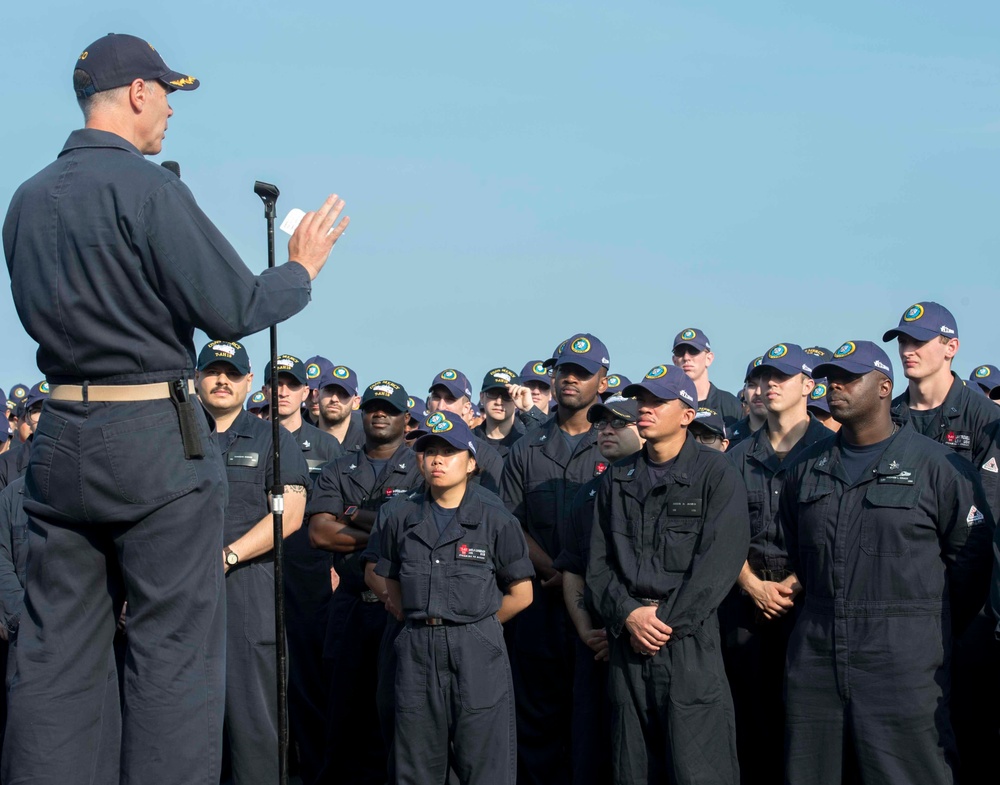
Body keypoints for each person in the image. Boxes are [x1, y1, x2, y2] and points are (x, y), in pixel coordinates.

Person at [1, 32, 349, 784]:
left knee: (55, 654)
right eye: (166, 92)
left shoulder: (25, 199)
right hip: (151, 436)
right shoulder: (150, 188)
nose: (169, 110)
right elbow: (234, 305)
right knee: (173, 655)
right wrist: (301, 270)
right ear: (135, 93)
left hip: (59, 434)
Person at [779, 340, 994, 785]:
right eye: (830, 378)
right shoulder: (805, 469)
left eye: (849, 378)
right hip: (817, 654)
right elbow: (797, 548)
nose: (834, 387)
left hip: (903, 658)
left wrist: (915, 622)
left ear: (883, 387)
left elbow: (970, 566)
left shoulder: (939, 467)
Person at [587, 365, 749, 785]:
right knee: (632, 767)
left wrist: (662, 624)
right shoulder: (618, 478)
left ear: (687, 415)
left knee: (700, 768)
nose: (646, 408)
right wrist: (627, 615)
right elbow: (599, 565)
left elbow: (719, 564)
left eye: (659, 402)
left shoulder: (716, 474)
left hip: (688, 643)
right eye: (643, 400)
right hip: (628, 642)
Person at [375, 409, 534, 785]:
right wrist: (413, 614)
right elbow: (388, 577)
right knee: (415, 764)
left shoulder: (497, 519)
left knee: (484, 764)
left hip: (476, 646)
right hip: (416, 647)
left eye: (449, 452)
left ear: (471, 462)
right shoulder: (400, 516)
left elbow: (522, 593)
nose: (437, 461)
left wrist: (480, 627)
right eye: (429, 451)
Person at [883, 302, 1000, 781]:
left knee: (969, 730)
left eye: (920, 341)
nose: (908, 351)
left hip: (967, 606)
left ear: (950, 348)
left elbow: (986, 522)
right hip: (899, 603)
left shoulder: (982, 417)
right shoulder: (886, 419)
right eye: (903, 342)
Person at [195, 340, 310, 785]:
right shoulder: (171, 436)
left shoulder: (272, 440)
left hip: (247, 595)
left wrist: (228, 556)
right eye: (212, 371)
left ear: (247, 383)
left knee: (253, 726)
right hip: (177, 594)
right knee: (183, 726)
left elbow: (291, 515)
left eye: (232, 373)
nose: (221, 380)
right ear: (196, 379)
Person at [501, 332, 610, 785]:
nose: (570, 378)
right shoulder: (525, 448)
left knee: (594, 722)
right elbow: (509, 524)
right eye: (563, 369)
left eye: (582, 373)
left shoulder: (617, 443)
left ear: (602, 381)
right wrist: (555, 570)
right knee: (536, 721)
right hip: (538, 605)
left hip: (597, 608)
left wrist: (573, 577)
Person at [722, 343, 831, 784]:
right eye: (764, 378)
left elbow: (835, 532)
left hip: (808, 607)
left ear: (808, 386)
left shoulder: (831, 451)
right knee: (749, 722)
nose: (769, 386)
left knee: (806, 724)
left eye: (781, 378)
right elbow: (718, 537)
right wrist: (752, 585)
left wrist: (793, 584)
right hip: (745, 606)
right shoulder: (735, 459)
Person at [308, 380, 423, 785]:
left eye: (389, 409)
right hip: (351, 607)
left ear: (406, 419)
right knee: (343, 721)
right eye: (373, 407)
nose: (380, 414)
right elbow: (321, 533)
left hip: (400, 608)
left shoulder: (422, 466)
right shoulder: (338, 468)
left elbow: (421, 529)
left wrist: (352, 515)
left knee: (396, 718)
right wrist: (385, 531)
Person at [555, 394, 643, 785]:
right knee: (591, 751)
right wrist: (587, 631)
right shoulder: (585, 494)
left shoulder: (664, 483)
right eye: (602, 423)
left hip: (650, 639)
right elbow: (573, 568)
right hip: (593, 645)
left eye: (619, 423)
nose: (607, 430)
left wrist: (623, 628)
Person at [426, 369, 504, 493]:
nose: (440, 406)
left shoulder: (487, 456)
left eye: (450, 399)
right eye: (436, 397)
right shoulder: (414, 449)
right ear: (429, 402)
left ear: (466, 407)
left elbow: (493, 506)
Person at [671, 328, 742, 427]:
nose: (686, 357)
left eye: (693, 351)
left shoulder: (730, 404)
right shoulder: (667, 404)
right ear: (674, 361)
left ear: (709, 358)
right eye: (680, 352)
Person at [473, 367, 529, 459]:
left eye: (507, 396)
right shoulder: (469, 440)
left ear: (516, 400)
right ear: (482, 397)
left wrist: (529, 410)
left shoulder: (526, 439)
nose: (499, 402)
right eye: (493, 394)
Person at [314, 364, 365, 451]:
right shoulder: (296, 443)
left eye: (343, 394)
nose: (334, 399)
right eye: (329, 391)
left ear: (356, 402)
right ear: (317, 395)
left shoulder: (369, 446)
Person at [727, 356, 765, 449]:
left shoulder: (793, 434)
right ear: (744, 390)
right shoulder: (727, 436)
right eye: (752, 385)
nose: (758, 392)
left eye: (765, 385)